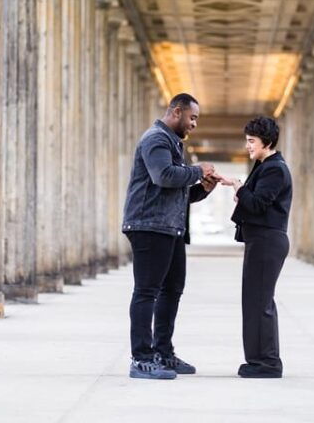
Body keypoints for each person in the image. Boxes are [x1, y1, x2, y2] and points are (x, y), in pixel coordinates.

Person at [122, 93, 222, 379]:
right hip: (149, 226)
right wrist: (196, 170)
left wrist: (203, 187)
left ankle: (163, 353)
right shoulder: (156, 139)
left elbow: (176, 193)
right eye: (192, 118)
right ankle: (141, 359)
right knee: (146, 292)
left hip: (169, 228)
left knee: (172, 290)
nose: (194, 124)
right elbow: (163, 176)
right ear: (176, 112)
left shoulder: (173, 144)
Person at [218, 116, 291, 378]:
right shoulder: (265, 166)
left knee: (260, 303)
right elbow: (256, 198)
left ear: (267, 142)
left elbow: (258, 204)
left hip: (268, 241)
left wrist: (238, 187)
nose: (247, 146)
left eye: (251, 141)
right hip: (262, 241)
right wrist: (236, 184)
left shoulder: (275, 168)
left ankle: (268, 363)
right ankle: (258, 360)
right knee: (255, 302)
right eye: (247, 140)